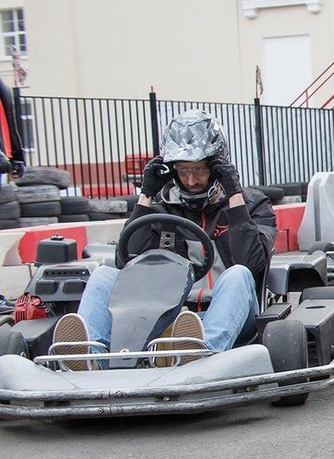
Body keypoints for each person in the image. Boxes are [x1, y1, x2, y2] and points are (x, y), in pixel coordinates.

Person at [52, 109, 276, 369]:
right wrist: (146, 195)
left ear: (217, 167)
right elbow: (127, 261)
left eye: (200, 170)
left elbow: (252, 263)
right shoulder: (159, 210)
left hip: (230, 313)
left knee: (238, 274)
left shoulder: (252, 205)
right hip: (165, 315)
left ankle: (202, 355)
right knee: (104, 275)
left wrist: (234, 197)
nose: (191, 180)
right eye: (183, 170)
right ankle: (90, 358)